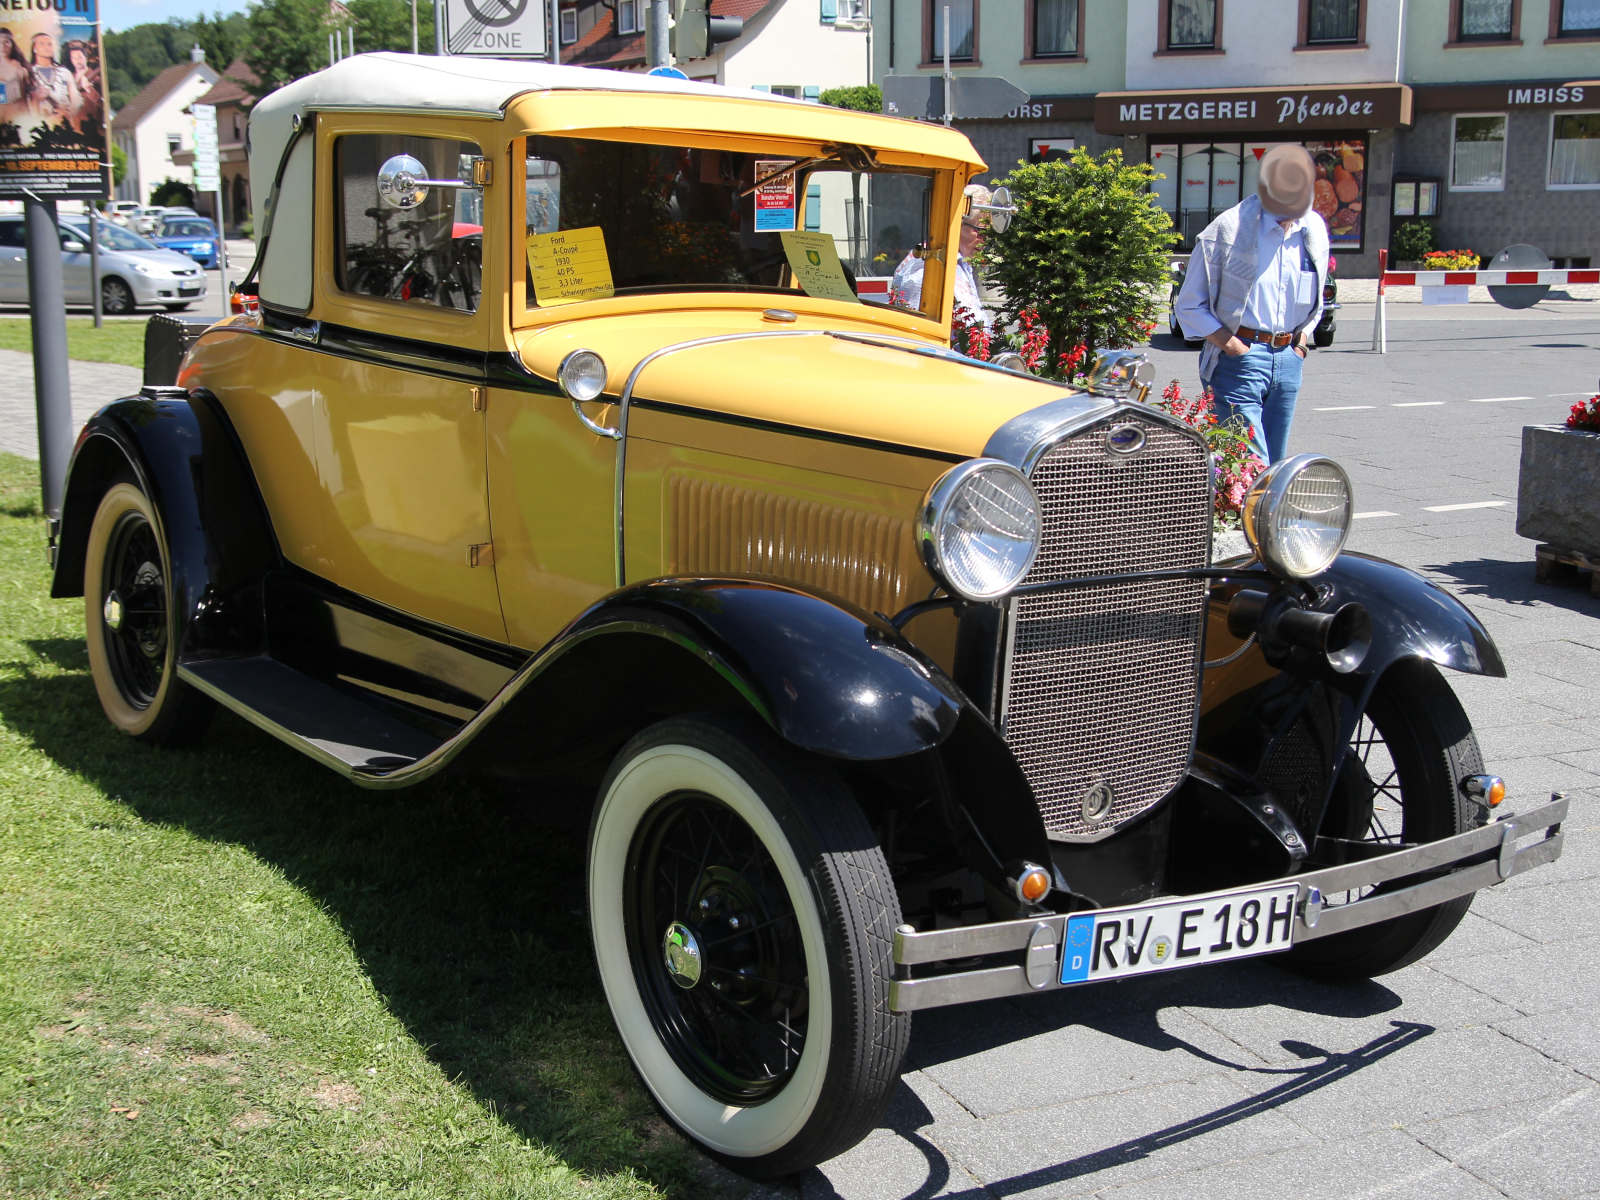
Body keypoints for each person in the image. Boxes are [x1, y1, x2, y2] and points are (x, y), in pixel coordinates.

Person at [1174, 144, 1328, 464]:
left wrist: (1302, 338)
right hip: (1242, 357)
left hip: (1289, 356)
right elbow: (1188, 305)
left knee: (1275, 464)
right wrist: (1231, 345)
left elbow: (1316, 292)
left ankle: (1263, 516)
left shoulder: (1313, 229)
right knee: (1248, 464)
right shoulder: (1229, 229)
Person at [889, 182, 992, 332]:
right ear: (956, 224)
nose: (985, 239)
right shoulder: (928, 265)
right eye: (980, 231)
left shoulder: (959, 262)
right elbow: (918, 334)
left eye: (989, 232)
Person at [28, 32, 79, 125]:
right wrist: (36, 100)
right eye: (42, 44)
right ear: (34, 48)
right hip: (41, 123)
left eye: (49, 44)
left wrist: (69, 113)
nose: (47, 47)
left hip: (65, 122)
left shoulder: (64, 72)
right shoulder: (28, 73)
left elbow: (76, 98)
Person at [0, 29, 30, 115]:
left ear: (12, 44)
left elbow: (25, 101)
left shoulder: (21, 70)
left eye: (6, 42)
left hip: (16, 118)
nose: (3, 46)